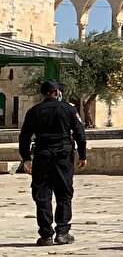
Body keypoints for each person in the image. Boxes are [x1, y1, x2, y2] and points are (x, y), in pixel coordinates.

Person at [18, 81, 87, 246]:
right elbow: (80, 133)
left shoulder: (33, 112)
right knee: (64, 193)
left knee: (42, 195)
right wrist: (82, 155)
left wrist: (26, 158)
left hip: (42, 155)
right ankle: (62, 232)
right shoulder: (68, 109)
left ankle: (46, 235)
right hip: (63, 156)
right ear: (56, 93)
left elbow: (24, 137)